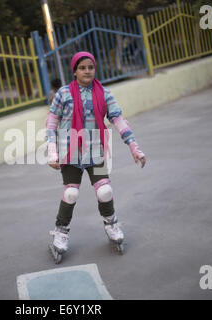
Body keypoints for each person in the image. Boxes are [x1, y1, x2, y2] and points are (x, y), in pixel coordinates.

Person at [45, 51, 146, 263]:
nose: (87, 71)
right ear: (74, 71)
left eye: (90, 67)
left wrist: (134, 147)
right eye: (82, 67)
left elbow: (119, 120)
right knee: (71, 193)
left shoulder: (104, 93)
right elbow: (51, 124)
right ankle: (60, 231)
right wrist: (52, 151)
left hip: (96, 152)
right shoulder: (63, 94)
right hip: (70, 154)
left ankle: (111, 223)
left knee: (105, 190)